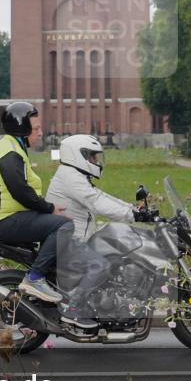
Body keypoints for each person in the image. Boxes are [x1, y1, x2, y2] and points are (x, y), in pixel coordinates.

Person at [45, 134, 148, 328]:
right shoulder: (70, 177)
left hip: (75, 237)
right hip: (69, 240)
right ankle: (74, 310)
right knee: (100, 265)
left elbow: (99, 196)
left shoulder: (73, 175)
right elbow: (96, 202)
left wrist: (132, 209)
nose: (96, 161)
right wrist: (133, 216)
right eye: (92, 157)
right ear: (79, 156)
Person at [0, 102, 72, 303]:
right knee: (64, 226)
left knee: (55, 227)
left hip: (10, 218)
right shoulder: (10, 153)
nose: (41, 132)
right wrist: (49, 208)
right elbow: (20, 191)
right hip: (4, 222)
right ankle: (36, 278)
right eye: (37, 128)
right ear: (22, 128)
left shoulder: (13, 147)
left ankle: (49, 281)